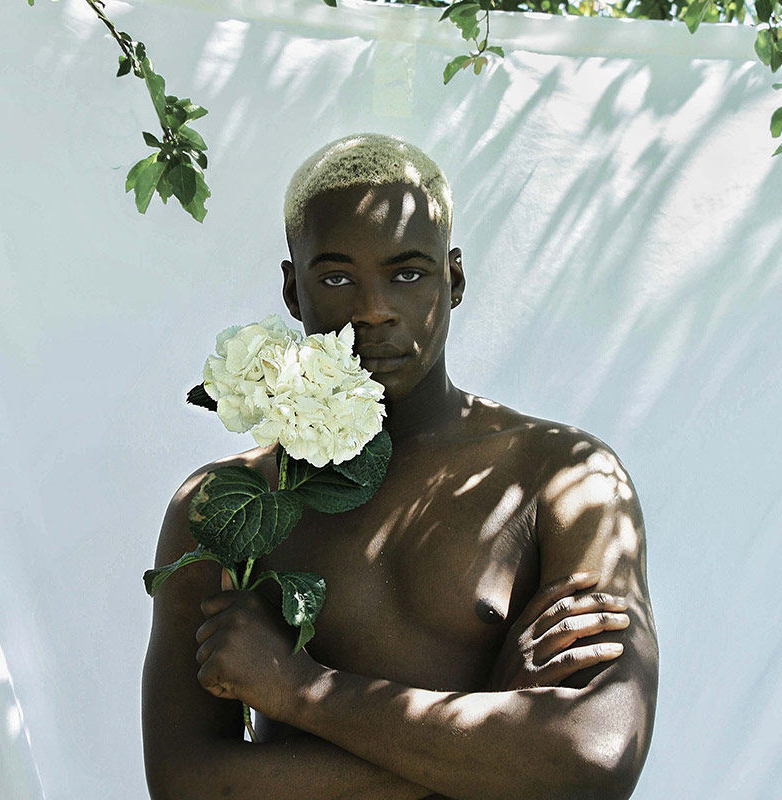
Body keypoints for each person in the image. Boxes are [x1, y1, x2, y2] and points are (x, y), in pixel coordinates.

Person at [142, 133, 658, 800]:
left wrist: (298, 690)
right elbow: (185, 785)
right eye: (336, 278)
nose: (373, 310)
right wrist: (491, 726)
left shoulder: (565, 479)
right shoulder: (228, 503)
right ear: (293, 290)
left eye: (408, 273)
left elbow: (596, 757)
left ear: (455, 279)